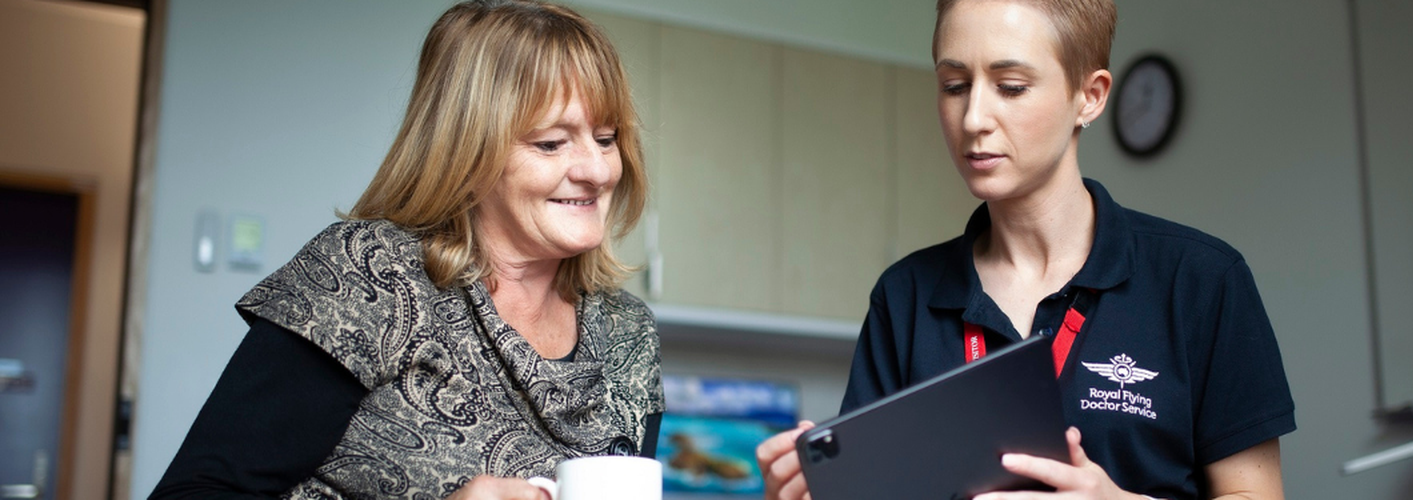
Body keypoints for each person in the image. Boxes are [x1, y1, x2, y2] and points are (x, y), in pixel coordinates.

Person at [757, 0, 1294, 499]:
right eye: (953, 85)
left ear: (1091, 95)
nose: (973, 119)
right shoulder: (903, 296)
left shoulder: (1202, 280)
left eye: (1010, 86)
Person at [151, 1, 659, 498]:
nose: (598, 170)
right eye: (551, 143)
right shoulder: (369, 274)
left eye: (607, 138)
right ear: (468, 149)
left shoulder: (627, 333)